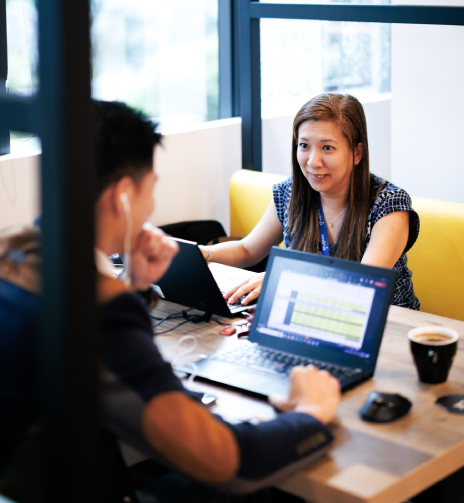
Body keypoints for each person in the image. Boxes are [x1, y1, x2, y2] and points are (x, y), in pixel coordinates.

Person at [0, 101, 341, 503]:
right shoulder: (99, 311)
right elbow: (233, 463)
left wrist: (132, 284)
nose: (150, 206)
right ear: (124, 195)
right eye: (151, 187)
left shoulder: (15, 255)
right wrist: (311, 414)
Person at [202, 93, 420, 311]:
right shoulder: (290, 192)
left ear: (357, 153)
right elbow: (247, 250)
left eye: (327, 148)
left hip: (385, 328)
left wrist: (281, 280)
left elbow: (361, 284)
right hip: (310, 316)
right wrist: (202, 253)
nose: (313, 162)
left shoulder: (389, 204)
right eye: (304, 145)